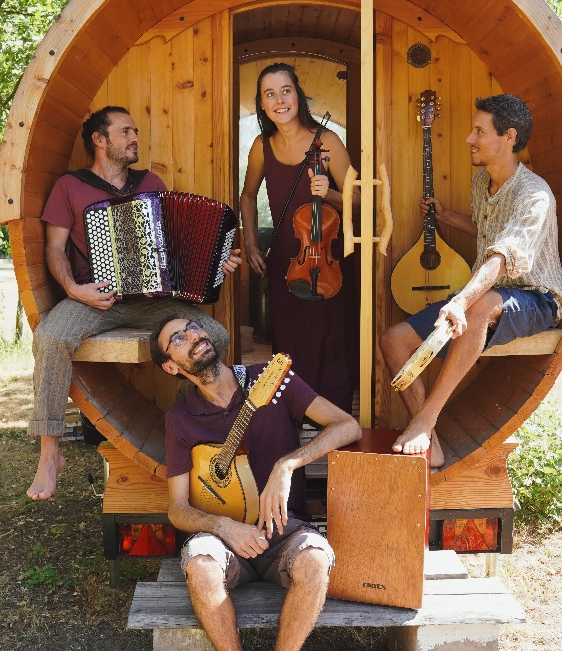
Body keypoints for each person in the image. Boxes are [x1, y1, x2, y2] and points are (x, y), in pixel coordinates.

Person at [149, 313, 361, 651]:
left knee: (317, 561)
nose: (193, 338)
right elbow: (177, 508)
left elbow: (347, 426)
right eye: (178, 340)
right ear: (172, 366)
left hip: (284, 529)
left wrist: (288, 464)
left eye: (194, 328)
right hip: (228, 542)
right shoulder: (181, 420)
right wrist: (224, 528)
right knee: (201, 563)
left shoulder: (271, 380)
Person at [27, 105, 241, 501]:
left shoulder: (150, 182)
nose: (134, 138)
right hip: (94, 297)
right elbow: (54, 248)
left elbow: (176, 249)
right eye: (125, 131)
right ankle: (50, 451)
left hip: (154, 301)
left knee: (215, 334)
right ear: (99, 139)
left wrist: (215, 263)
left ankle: (192, 429)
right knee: (50, 337)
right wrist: (75, 289)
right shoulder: (70, 186)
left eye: (136, 131)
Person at [380, 94, 562, 467]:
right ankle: (431, 439)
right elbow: (486, 231)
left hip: (538, 297)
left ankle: (424, 420)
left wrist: (461, 301)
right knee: (393, 340)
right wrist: (447, 217)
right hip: (490, 295)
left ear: (509, 137)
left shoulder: (535, 195)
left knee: (481, 302)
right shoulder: (482, 182)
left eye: (479, 131)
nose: (469, 138)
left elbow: (502, 256)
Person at [240, 63, 359, 414]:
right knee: (290, 346)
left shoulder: (328, 142)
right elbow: (248, 196)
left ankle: (337, 426)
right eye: (270, 94)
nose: (279, 100)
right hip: (286, 262)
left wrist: (333, 194)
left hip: (330, 260)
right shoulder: (262, 146)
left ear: (298, 95)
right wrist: (250, 243)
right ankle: (292, 422)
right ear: (262, 104)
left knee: (333, 343)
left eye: (286, 90)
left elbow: (359, 198)